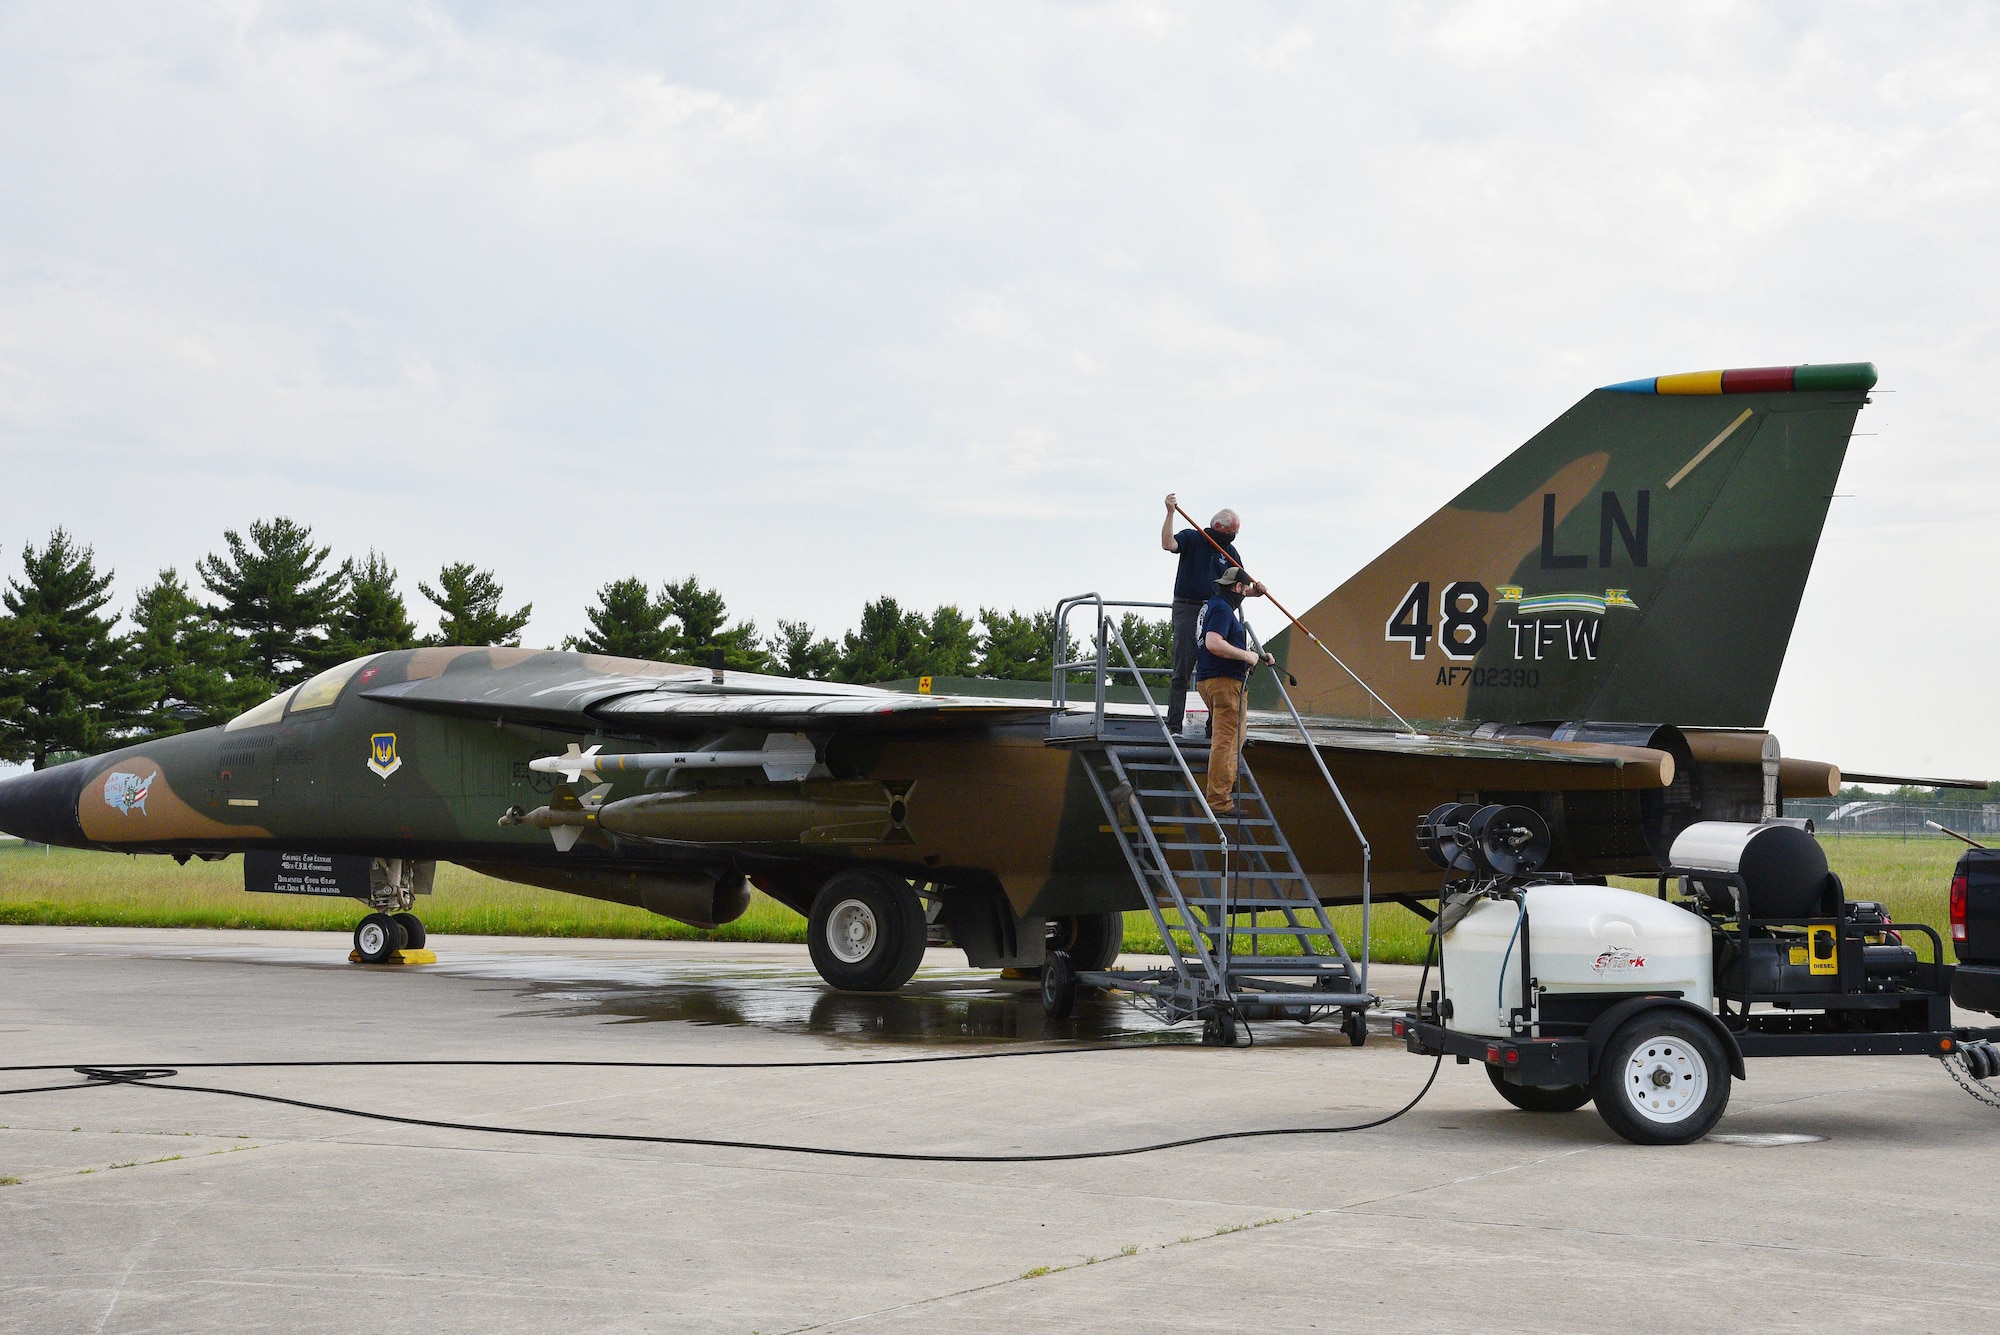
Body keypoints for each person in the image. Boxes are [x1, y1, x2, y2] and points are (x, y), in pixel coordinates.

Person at [1160, 496, 1260, 735]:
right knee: (1183, 667)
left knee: (1216, 668)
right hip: (1188, 607)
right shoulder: (1193, 538)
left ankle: (1213, 727)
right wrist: (1170, 513)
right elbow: (1168, 544)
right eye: (1232, 532)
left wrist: (1256, 591)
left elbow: (1241, 586)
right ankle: (1173, 725)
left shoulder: (1231, 551)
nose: (1234, 536)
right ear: (1218, 527)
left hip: (1217, 609)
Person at [1194, 567, 1273, 816]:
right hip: (1225, 683)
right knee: (1226, 742)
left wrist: (1257, 657)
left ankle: (1221, 789)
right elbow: (1214, 643)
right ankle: (1218, 801)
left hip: (1212, 679)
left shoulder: (1215, 605)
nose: (1245, 592)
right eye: (1243, 588)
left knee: (1231, 739)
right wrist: (1247, 656)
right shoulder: (1222, 610)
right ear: (1238, 588)